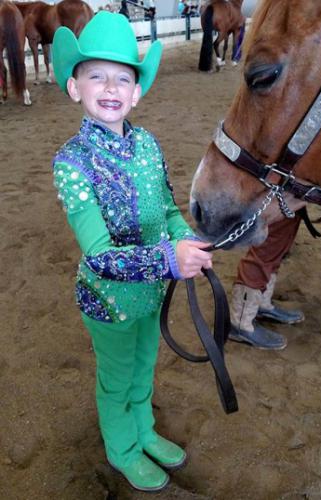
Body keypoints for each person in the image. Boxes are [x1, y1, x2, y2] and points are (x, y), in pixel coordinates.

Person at [51, 11, 212, 493]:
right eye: (96, 74)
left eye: (123, 77)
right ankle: (121, 450)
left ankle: (143, 431)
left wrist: (188, 238)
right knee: (117, 377)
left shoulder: (146, 143)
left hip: (150, 294)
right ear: (75, 86)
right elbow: (99, 255)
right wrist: (168, 259)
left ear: (137, 91)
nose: (110, 86)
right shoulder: (70, 162)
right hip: (108, 299)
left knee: (145, 366)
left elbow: (165, 208)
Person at [229, 216, 304, 350]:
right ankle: (241, 324)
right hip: (279, 197)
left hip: (291, 198)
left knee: (279, 243)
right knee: (268, 245)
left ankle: (261, 304)